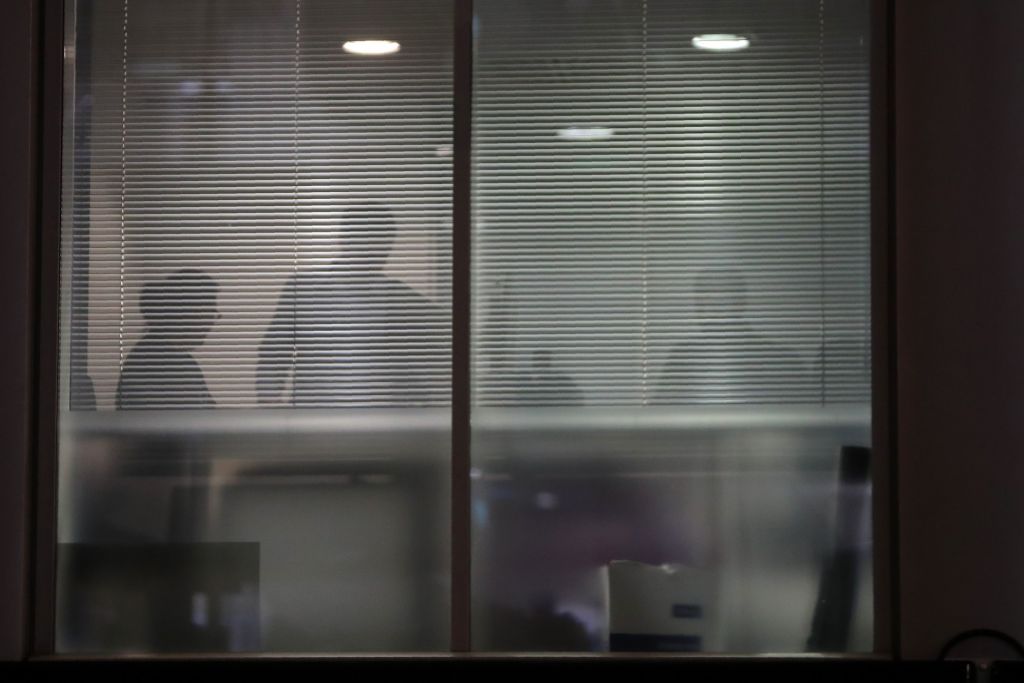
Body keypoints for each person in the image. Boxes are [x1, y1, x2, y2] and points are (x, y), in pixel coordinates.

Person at [257, 203, 446, 406]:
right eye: (365, 239)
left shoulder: (405, 301)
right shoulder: (302, 291)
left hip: (382, 425)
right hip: (313, 424)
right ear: (344, 239)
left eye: (382, 242)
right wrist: (275, 416)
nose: (373, 250)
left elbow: (430, 366)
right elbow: (273, 356)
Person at [654, 269, 819, 404]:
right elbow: (660, 423)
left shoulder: (782, 361)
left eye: (720, 299)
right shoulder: (682, 361)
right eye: (704, 299)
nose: (711, 307)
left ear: (740, 302)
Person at [116, 268, 219, 409]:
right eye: (210, 312)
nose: (211, 322)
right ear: (188, 312)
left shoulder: (180, 361)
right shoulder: (159, 364)